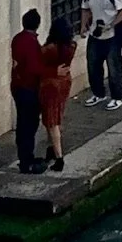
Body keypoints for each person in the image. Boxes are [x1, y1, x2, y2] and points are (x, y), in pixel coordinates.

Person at [81, 0, 122, 106]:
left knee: (114, 68)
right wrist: (83, 26)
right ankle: (98, 94)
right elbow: (85, 9)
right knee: (93, 66)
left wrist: (111, 25)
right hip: (95, 34)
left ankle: (116, 97)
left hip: (112, 36)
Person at [10, 7, 47, 173]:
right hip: (29, 88)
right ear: (37, 25)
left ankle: (24, 157)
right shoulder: (32, 43)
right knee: (29, 125)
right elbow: (35, 68)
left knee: (23, 123)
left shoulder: (17, 39)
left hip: (18, 87)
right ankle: (27, 160)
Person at [39, 18, 77, 172]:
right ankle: (51, 150)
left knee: (51, 121)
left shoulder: (49, 49)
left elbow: (37, 64)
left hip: (50, 85)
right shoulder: (72, 46)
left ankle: (59, 157)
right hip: (65, 82)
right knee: (57, 116)